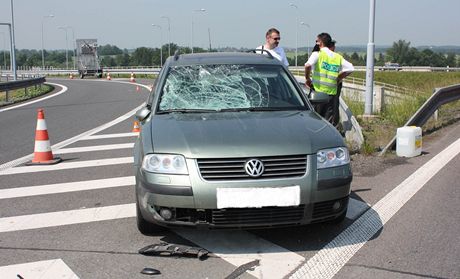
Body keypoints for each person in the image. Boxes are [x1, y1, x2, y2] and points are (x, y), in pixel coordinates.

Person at [304, 33, 354, 127]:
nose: (316, 43)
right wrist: (339, 78)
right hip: (331, 94)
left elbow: (307, 65)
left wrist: (307, 79)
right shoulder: (337, 57)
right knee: (328, 123)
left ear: (320, 43)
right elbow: (350, 68)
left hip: (318, 94)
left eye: (317, 41)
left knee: (315, 120)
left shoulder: (317, 54)